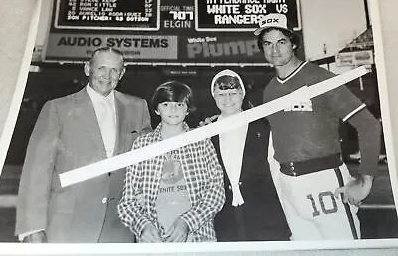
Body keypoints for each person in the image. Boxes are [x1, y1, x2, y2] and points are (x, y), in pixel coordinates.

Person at [255, 13, 382, 240]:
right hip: (289, 185)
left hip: (325, 179)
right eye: (268, 43)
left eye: (281, 42)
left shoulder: (319, 78)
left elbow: (368, 124)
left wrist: (366, 179)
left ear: (293, 43)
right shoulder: (270, 90)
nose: (274, 50)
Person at [15, 47, 152, 243]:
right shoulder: (57, 108)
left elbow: (150, 158)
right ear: (88, 69)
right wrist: (32, 227)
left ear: (122, 73)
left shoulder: (138, 107)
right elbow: (36, 171)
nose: (107, 76)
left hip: (118, 227)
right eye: (101, 68)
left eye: (114, 70)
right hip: (67, 225)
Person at [118, 81, 225, 243]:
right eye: (166, 104)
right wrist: (143, 226)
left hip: (198, 239)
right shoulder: (141, 145)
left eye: (180, 104)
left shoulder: (202, 142)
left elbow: (216, 193)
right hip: (154, 243)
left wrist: (187, 222)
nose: (173, 109)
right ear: (156, 109)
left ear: (187, 109)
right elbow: (126, 203)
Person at [209, 69, 291, 241]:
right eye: (221, 93)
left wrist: (288, 214)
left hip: (264, 215)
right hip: (225, 219)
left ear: (242, 94)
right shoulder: (206, 133)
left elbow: (277, 173)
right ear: (214, 96)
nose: (228, 99)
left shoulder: (263, 128)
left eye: (233, 93)